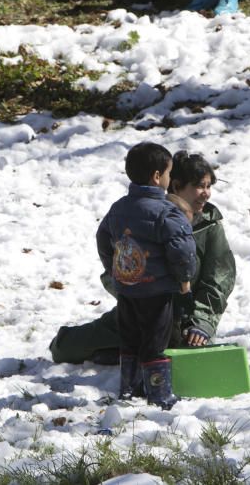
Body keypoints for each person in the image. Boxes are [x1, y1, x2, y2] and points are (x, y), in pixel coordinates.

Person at [49, 151, 236, 360]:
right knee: (65, 348)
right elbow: (113, 258)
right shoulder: (143, 216)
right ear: (175, 185)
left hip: (188, 321)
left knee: (184, 359)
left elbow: (219, 279)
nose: (206, 193)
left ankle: (130, 357)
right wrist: (133, 293)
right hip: (140, 309)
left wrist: (202, 323)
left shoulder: (209, 225)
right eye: (199, 186)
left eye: (209, 186)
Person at [96, 142, 196, 409]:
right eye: (168, 173)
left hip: (127, 288)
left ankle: (129, 387)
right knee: (155, 338)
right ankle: (159, 393)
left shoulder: (118, 208)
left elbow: (103, 237)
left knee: (129, 338)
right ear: (156, 176)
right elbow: (182, 249)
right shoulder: (167, 212)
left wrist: (114, 267)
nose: (169, 179)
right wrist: (184, 277)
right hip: (156, 291)